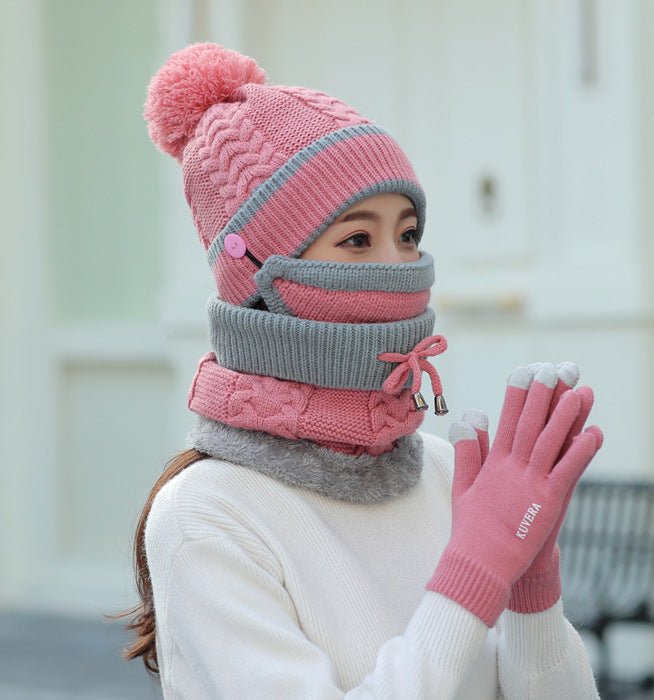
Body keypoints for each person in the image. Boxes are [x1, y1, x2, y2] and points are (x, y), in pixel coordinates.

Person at [122, 43, 604, 698]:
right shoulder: (207, 514)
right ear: (254, 272)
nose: (398, 266)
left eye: (408, 235)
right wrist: (473, 574)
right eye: (356, 239)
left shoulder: (445, 474)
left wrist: (531, 586)